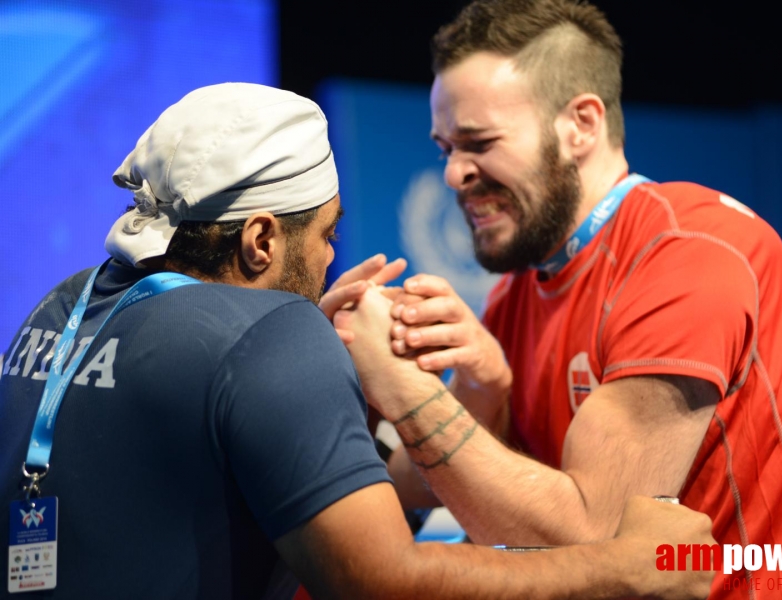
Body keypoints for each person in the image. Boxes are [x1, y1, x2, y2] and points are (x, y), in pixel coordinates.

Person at [0, 83, 715, 599]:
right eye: (326, 235)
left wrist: (469, 392)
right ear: (259, 241)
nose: (329, 265)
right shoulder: (274, 337)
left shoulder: (57, 308)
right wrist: (625, 567)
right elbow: (378, 578)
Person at [328, 0, 782, 597]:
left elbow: (595, 540)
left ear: (581, 124)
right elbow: (448, 494)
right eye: (447, 148)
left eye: (479, 142)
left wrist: (406, 389)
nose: (453, 174)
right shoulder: (515, 294)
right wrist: (482, 391)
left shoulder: (692, 252)